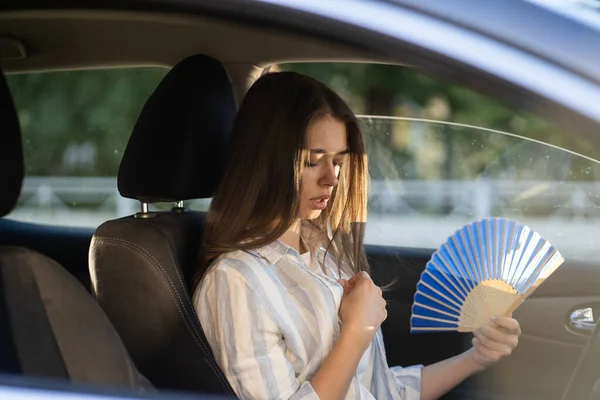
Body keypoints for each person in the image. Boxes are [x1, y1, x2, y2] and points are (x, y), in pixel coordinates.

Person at [191, 71, 521, 400]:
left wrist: (477, 358)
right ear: (265, 161)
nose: (331, 179)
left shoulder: (323, 253)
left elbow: (376, 391)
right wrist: (356, 332)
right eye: (312, 161)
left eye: (338, 161)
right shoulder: (236, 281)